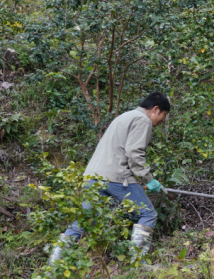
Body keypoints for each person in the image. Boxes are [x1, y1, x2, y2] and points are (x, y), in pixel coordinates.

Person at [47, 92, 170, 265]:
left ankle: (53, 266)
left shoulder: (125, 116)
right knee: (147, 214)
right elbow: (134, 154)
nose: (162, 120)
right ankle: (137, 263)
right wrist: (148, 178)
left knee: (87, 220)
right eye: (163, 115)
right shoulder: (143, 120)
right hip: (116, 176)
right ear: (155, 109)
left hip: (93, 176)